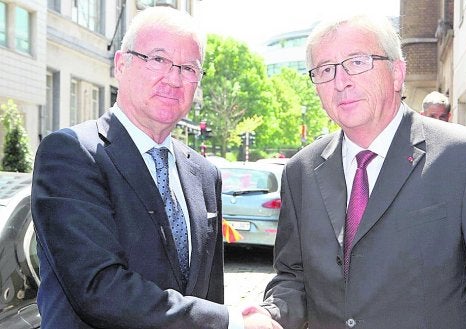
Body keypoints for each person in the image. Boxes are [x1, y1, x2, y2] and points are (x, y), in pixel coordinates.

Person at [252, 13, 466, 329]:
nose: (340, 81)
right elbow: (294, 277)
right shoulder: (300, 172)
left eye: (357, 62)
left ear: (396, 73)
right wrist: (272, 314)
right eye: (325, 70)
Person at [31, 7, 280, 329]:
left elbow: (207, 293)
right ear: (121, 64)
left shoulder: (204, 173)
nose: (173, 78)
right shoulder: (72, 153)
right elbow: (98, 288)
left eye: (189, 67)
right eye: (158, 59)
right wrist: (231, 321)